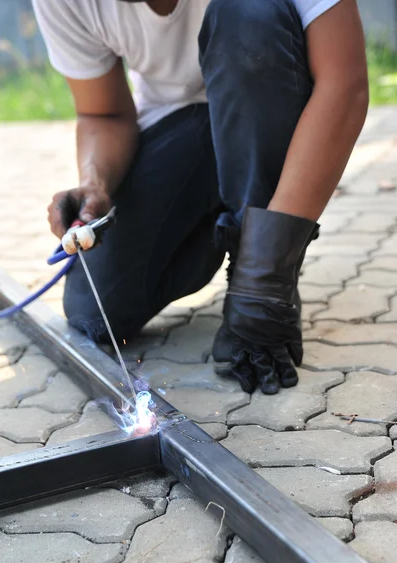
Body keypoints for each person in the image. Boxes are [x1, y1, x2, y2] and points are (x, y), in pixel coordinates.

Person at [32, 0, 368, 395]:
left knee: (246, 12)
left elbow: (344, 86)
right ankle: (235, 232)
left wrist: (268, 278)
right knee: (95, 311)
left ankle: (261, 254)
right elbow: (103, 114)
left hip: (274, 110)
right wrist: (95, 184)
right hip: (185, 129)